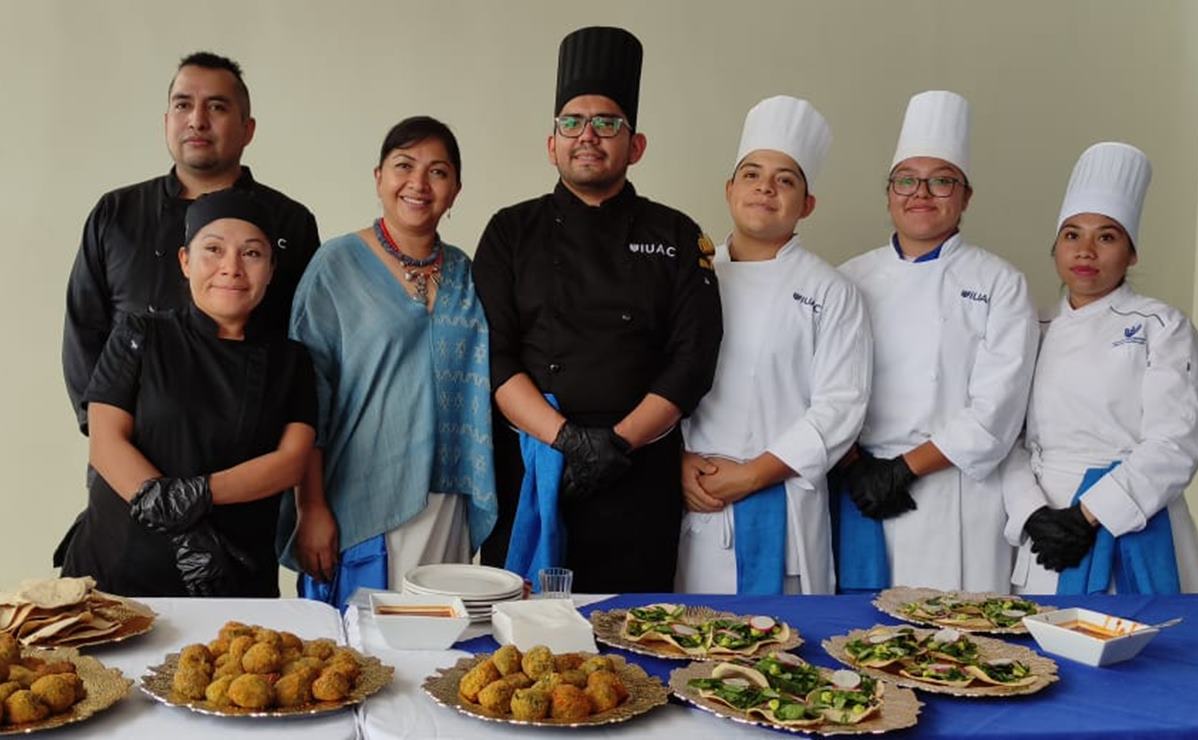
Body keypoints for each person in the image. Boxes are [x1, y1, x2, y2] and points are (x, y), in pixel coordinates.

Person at [472, 26, 722, 593]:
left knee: (632, 634)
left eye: (607, 123)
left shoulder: (676, 232)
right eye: (572, 123)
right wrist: (567, 441)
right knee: (521, 630)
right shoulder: (511, 230)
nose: (588, 136)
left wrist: (616, 443)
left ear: (635, 146)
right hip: (534, 464)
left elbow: (693, 359)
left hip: (639, 473)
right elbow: (494, 354)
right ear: (552, 142)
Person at [58, 190, 317, 597]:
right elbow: (106, 443)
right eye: (212, 249)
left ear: (271, 269)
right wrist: (179, 521)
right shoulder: (139, 335)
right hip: (117, 568)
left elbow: (291, 461)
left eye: (251, 254)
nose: (231, 268)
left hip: (231, 573)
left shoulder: (292, 359)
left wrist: (194, 496)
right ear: (185, 261)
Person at [283, 117, 496, 608]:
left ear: (456, 190)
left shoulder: (465, 270)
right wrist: (310, 506)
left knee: (438, 644)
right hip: (360, 494)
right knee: (361, 661)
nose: (418, 184)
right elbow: (306, 399)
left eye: (438, 172)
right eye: (404, 166)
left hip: (448, 498)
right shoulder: (335, 266)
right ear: (378, 177)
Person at [837, 90, 1038, 592]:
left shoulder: (1000, 282)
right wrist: (855, 464)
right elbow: (821, 387)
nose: (921, 193)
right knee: (859, 640)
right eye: (906, 180)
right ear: (888, 193)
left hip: (957, 494)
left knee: (957, 646)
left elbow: (998, 410)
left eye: (941, 180)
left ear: (966, 196)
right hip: (860, 488)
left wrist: (905, 468)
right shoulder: (847, 279)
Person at [61, 51, 319, 436]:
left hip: (252, 454)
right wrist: (109, 435)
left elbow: (306, 343)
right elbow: (84, 332)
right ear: (167, 122)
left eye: (216, 107)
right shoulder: (116, 213)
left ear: (248, 129)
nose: (197, 120)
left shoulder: (290, 222)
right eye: (183, 105)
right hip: (130, 457)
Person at [675, 96, 871, 595]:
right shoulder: (689, 277)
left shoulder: (831, 289)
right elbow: (657, 382)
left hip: (785, 504)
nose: (766, 187)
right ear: (729, 190)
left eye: (786, 180)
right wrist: (675, 464)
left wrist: (753, 475)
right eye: (752, 174)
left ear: (806, 204)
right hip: (696, 500)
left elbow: (840, 408)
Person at [1002, 142, 1198, 594]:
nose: (1086, 251)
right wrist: (1034, 512)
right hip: (1047, 531)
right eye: (1072, 235)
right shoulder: (1033, 328)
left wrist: (1087, 515)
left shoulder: (1163, 326)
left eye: (1106, 237)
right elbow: (1006, 436)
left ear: (1131, 253)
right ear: (1055, 247)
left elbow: (1175, 444)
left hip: (1133, 518)